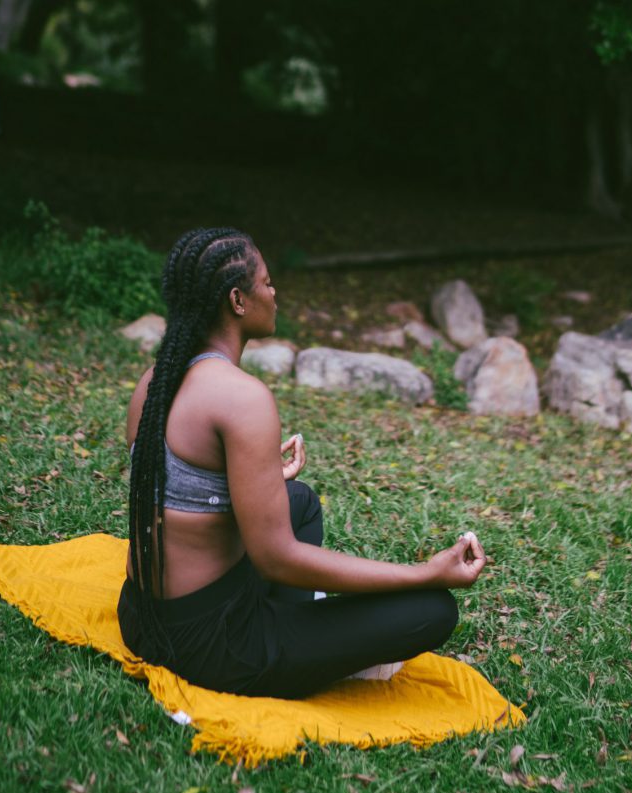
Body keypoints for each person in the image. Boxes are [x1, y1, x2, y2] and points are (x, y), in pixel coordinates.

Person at [117, 227, 486, 698]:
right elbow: (277, 561)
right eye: (267, 283)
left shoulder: (156, 378)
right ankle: (299, 653)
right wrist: (427, 573)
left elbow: (172, 490)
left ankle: (299, 634)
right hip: (212, 646)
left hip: (142, 616)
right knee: (433, 611)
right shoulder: (241, 397)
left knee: (299, 501)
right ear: (237, 300)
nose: (274, 293)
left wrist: (255, 477)